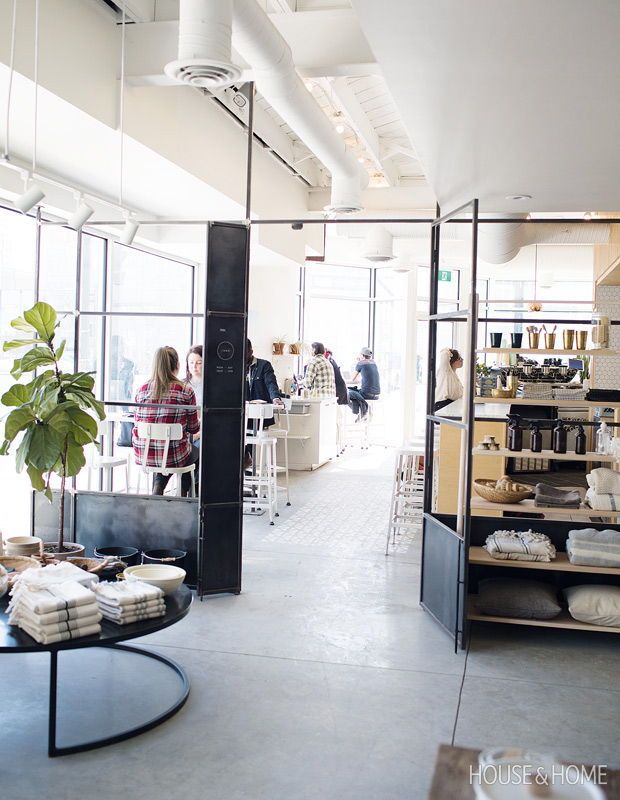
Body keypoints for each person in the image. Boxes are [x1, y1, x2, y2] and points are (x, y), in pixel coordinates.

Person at [133, 346, 200, 496]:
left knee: (165, 450)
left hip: (144, 454)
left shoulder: (141, 389)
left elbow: (137, 421)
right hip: (173, 454)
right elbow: (193, 428)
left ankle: (158, 487)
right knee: (195, 453)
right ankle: (182, 494)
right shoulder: (185, 391)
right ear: (178, 365)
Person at [348, 347, 380, 419]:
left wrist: (358, 362)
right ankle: (365, 411)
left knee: (348, 393)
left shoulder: (361, 363)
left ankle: (362, 412)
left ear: (362, 355)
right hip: (376, 394)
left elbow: (352, 379)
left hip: (367, 394)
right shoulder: (374, 363)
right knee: (355, 392)